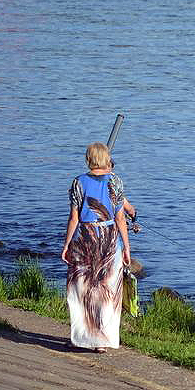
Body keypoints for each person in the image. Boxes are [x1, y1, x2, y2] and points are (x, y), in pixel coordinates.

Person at [61, 142, 131, 353]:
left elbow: (74, 218)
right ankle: (104, 340)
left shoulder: (78, 182)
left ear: (88, 158)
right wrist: (126, 247)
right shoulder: (116, 181)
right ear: (106, 158)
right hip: (110, 238)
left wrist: (66, 245)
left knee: (81, 290)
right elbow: (120, 218)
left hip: (85, 238)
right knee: (109, 290)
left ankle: (83, 338)